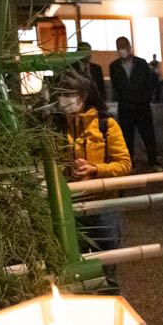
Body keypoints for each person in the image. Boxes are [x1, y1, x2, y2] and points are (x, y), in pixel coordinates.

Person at [55, 70, 131, 291]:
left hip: (102, 208)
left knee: (107, 271)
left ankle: (112, 321)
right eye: (61, 95)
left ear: (83, 96)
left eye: (69, 94)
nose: (65, 100)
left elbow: (124, 164)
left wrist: (96, 170)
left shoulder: (106, 125)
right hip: (69, 209)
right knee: (76, 273)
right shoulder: (55, 129)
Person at [109, 36, 161, 170]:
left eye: (123, 46)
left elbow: (148, 83)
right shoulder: (114, 66)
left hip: (142, 105)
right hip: (125, 107)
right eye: (119, 47)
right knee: (127, 136)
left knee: (148, 134)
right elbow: (116, 86)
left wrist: (145, 98)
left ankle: (153, 160)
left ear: (129, 47)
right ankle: (129, 162)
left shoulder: (141, 63)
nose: (121, 50)